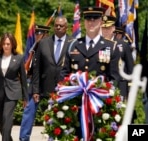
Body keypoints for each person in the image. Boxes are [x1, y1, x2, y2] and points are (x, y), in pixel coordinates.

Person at [59, 7, 120, 138]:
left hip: (99, 105)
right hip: (75, 105)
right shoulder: (73, 45)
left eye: (95, 19)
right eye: (88, 19)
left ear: (101, 22)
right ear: (84, 22)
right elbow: (64, 73)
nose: (91, 22)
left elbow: (114, 78)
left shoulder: (111, 47)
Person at [19, 16, 74, 141]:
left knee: (61, 117)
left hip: (63, 88)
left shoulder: (73, 42)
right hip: (44, 85)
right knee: (29, 111)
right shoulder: (43, 43)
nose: (58, 27)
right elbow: (37, 68)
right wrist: (36, 90)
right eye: (56, 25)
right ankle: (23, 138)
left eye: (61, 26)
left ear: (67, 27)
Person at [0, 33, 28, 141]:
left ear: (12, 44)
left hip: (12, 92)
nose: (6, 46)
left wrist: (25, 98)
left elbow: (23, 78)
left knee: (7, 117)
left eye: (8, 44)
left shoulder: (18, 58)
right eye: (4, 44)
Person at [101, 15, 134, 98]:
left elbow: (130, 68)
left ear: (113, 28)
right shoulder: (98, 45)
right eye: (103, 28)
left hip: (120, 85)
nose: (106, 31)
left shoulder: (123, 45)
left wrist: (130, 88)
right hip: (103, 85)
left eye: (108, 28)